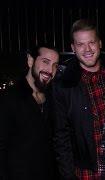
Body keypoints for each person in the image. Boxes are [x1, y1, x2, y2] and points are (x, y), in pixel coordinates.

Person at [52, 19, 105, 179]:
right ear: (73, 48)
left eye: (91, 42)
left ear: (100, 44)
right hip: (86, 172)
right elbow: (60, 137)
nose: (87, 49)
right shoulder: (63, 85)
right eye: (80, 44)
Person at [0, 44, 59, 180]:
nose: (50, 70)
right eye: (45, 62)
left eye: (55, 65)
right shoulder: (8, 99)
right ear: (30, 61)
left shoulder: (53, 100)